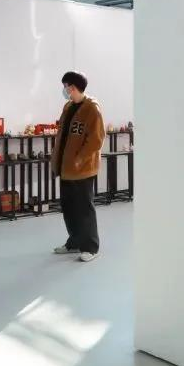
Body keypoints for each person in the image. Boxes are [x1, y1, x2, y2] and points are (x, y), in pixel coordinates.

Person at [51, 71, 105, 262]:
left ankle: (90, 247)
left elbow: (96, 140)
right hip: (66, 168)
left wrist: (80, 158)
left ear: (73, 87)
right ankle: (74, 242)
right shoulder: (68, 107)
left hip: (82, 169)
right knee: (69, 207)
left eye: (66, 86)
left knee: (84, 208)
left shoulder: (92, 108)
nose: (64, 90)